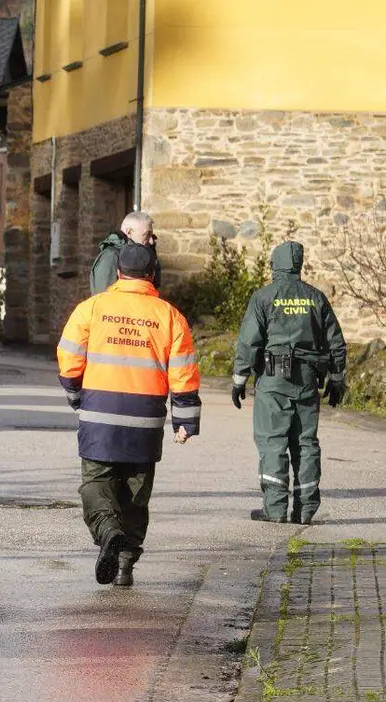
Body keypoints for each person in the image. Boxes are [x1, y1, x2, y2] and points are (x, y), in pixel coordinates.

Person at [57, 243, 201, 587]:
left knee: (95, 483)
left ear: (118, 272)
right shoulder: (169, 316)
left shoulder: (91, 309)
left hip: (100, 417)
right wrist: (185, 422)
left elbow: (69, 359)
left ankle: (108, 532)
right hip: (145, 421)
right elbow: (184, 374)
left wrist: (77, 397)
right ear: (152, 275)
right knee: (135, 493)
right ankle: (125, 565)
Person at [230, 241, 347, 525]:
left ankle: (275, 508)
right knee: (305, 443)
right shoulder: (315, 297)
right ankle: (305, 509)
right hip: (307, 380)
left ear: (274, 264)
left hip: (273, 380)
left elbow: (249, 341)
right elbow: (336, 341)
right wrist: (337, 376)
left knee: (272, 442)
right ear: (299, 265)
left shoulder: (263, 297)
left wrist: (239, 379)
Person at [89, 211, 163, 295]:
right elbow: (102, 299)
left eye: (151, 236)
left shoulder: (146, 254)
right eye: (146, 235)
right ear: (129, 232)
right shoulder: (110, 257)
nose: (151, 241)